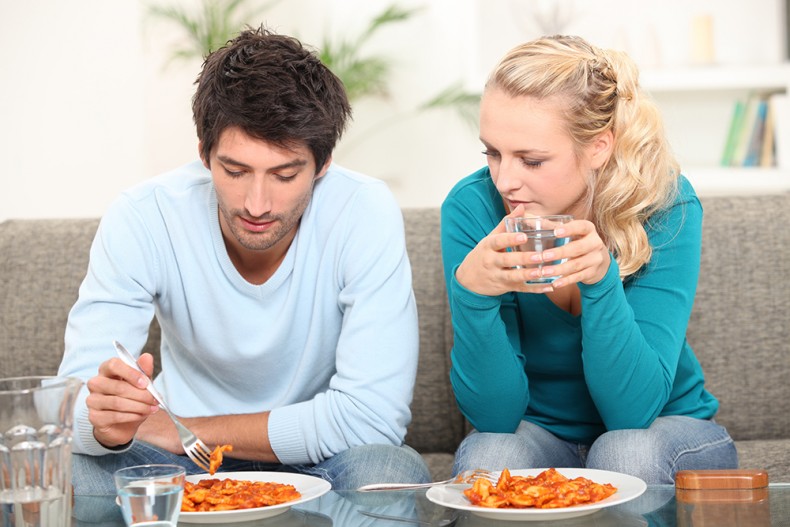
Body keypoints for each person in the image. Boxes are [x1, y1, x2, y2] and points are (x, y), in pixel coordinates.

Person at [58, 26, 430, 495]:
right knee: (71, 475)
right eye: (234, 171)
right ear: (204, 154)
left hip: (317, 459)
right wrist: (104, 422)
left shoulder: (363, 210)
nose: (256, 204)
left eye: (285, 174)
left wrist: (185, 428)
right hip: (182, 460)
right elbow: (71, 401)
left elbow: (373, 420)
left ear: (324, 163)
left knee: (387, 472)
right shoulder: (144, 215)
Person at [440, 35, 737, 484]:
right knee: (490, 451)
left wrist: (601, 283)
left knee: (624, 451)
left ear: (599, 146)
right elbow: (494, 415)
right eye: (493, 153)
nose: (504, 180)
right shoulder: (471, 208)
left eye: (532, 160)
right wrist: (474, 296)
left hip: (663, 427)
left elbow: (631, 412)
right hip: (542, 434)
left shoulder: (665, 205)